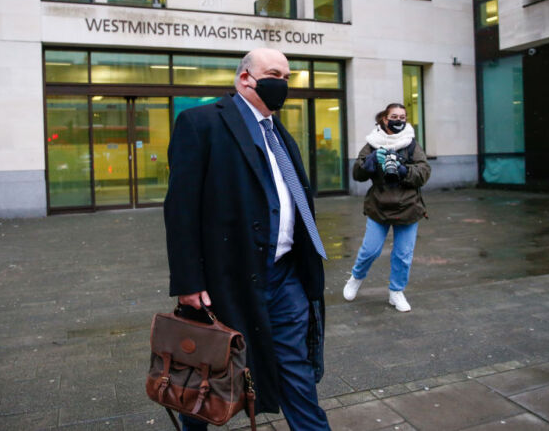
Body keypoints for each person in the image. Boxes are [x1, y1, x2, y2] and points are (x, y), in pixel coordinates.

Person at [164, 48, 330, 430]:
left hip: (286, 276)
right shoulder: (201, 123)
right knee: (207, 372)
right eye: (275, 74)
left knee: (297, 372)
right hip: (226, 280)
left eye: (288, 78)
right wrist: (188, 283)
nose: (283, 84)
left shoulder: (280, 135)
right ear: (245, 78)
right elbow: (181, 210)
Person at [342, 103, 430, 311]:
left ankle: (396, 292)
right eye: (394, 116)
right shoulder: (373, 143)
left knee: (403, 254)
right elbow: (357, 174)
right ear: (384, 119)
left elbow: (424, 172)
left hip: (409, 206)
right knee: (370, 250)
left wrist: (402, 169)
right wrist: (370, 161)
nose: (398, 120)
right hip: (379, 206)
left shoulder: (410, 143)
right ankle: (356, 277)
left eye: (402, 117)